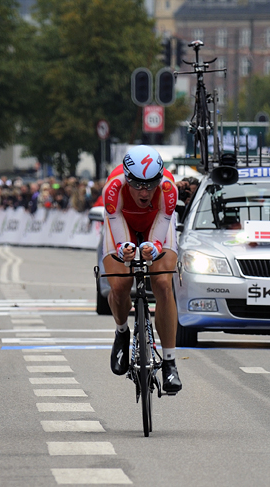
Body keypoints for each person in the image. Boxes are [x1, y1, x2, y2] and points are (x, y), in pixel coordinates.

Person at [102, 145, 181, 393]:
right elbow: (118, 234)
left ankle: (169, 363)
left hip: (156, 225)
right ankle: (122, 332)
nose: (144, 191)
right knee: (120, 284)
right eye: (136, 184)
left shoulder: (168, 190)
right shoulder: (113, 189)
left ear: (160, 178)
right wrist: (125, 248)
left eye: (150, 184)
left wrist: (153, 249)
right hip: (121, 223)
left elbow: (160, 234)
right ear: (126, 178)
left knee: (162, 284)